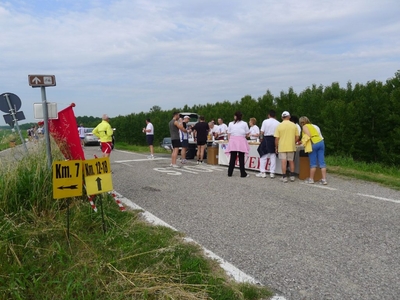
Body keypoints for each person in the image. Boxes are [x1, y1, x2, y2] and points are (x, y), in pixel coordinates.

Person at [299, 116, 328, 185]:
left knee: (313, 163)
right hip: (321, 142)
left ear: (301, 122)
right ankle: (324, 179)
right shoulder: (313, 126)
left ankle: (311, 179)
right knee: (322, 162)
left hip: (313, 143)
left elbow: (308, 135)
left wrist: (303, 141)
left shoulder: (305, 126)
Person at [274, 111, 299, 183]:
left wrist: (276, 147)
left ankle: (284, 177)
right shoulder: (294, 125)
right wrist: (293, 142)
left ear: (282, 117)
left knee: (283, 161)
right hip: (291, 146)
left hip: (282, 146)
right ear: (289, 117)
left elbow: (276, 138)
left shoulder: (279, 125)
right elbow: (297, 137)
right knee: (291, 161)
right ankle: (292, 176)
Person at [225, 111, 250, 177]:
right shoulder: (244, 123)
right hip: (241, 140)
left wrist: (229, 140)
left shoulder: (231, 123)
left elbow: (229, 133)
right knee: (241, 157)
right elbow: (247, 133)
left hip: (233, 140)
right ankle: (242, 173)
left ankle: (229, 173)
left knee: (232, 157)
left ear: (235, 116)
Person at [257, 110, 280, 178]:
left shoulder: (265, 121)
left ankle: (263, 172)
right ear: (275, 116)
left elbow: (262, 132)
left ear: (268, 115)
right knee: (273, 156)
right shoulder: (278, 123)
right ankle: (272, 173)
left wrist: (261, 139)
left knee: (263, 155)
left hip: (266, 138)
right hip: (274, 139)